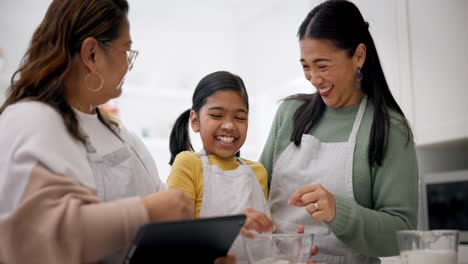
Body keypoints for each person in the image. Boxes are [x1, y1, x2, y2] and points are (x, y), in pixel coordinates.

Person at [0, 1, 233, 263]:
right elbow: (35, 239)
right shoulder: (31, 119)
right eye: (126, 51)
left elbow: (157, 234)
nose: (128, 66)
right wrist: (147, 212)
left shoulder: (121, 135)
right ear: (91, 54)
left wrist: (197, 253)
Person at [259, 0, 419, 263]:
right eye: (305, 66)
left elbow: (402, 232)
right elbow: (257, 191)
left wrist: (338, 210)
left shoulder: (389, 129)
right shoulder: (290, 114)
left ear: (358, 56)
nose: (313, 78)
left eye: (322, 66)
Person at [167, 71, 275, 263]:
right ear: (195, 121)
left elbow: (265, 242)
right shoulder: (188, 164)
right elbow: (175, 239)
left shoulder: (257, 172)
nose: (229, 125)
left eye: (240, 118)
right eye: (217, 115)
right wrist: (231, 225)